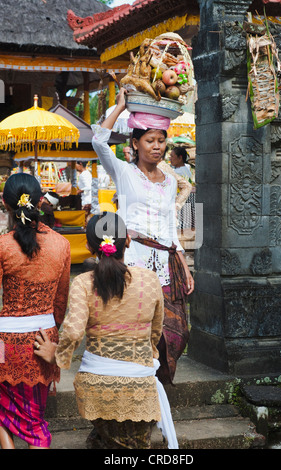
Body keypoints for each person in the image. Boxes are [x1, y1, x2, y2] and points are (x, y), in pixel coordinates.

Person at [34, 212, 178, 449]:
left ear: (90, 247)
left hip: (97, 388)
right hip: (138, 388)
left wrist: (57, 355)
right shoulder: (150, 280)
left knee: (104, 441)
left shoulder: (83, 283)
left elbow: (72, 332)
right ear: (128, 241)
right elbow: (156, 331)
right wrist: (144, 355)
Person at [91, 88, 194, 385]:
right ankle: (137, 389)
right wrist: (120, 108)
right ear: (135, 143)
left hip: (165, 262)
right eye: (150, 141)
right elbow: (99, 140)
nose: (157, 147)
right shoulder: (123, 172)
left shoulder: (170, 183)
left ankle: (158, 388)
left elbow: (170, 226)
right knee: (137, 330)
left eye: (161, 141)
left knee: (175, 334)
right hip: (133, 260)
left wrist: (184, 264)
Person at [0, 173, 71, 449]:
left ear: (6, 205)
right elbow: (61, 303)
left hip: (4, 344)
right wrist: (52, 334)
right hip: (44, 340)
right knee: (35, 422)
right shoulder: (61, 245)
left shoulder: (3, 245)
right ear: (40, 202)